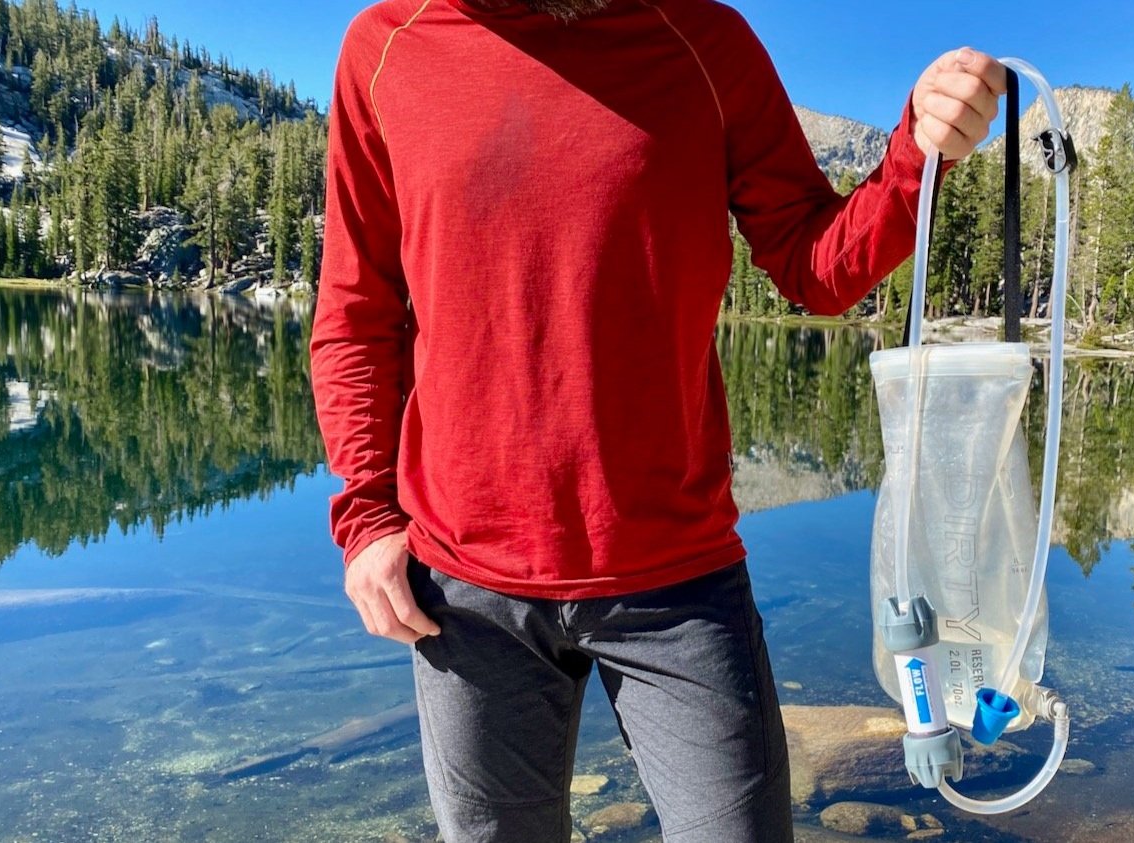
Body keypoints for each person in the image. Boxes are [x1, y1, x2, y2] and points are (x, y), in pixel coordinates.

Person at [309, 0, 1005, 840]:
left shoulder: (703, 40)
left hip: (676, 581)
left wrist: (915, 158)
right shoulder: (388, 48)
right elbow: (356, 311)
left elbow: (815, 265)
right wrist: (368, 516)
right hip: (465, 589)